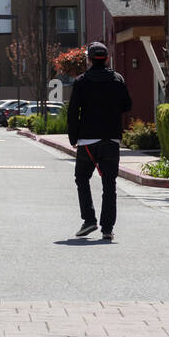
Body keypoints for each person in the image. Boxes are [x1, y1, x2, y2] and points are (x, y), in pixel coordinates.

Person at [66, 41, 132, 241]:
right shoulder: (117, 79)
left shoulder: (81, 81)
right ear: (107, 58)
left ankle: (89, 220)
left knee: (82, 179)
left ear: (89, 59)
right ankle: (107, 229)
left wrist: (73, 137)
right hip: (111, 139)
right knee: (109, 185)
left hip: (87, 141)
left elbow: (72, 111)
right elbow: (127, 105)